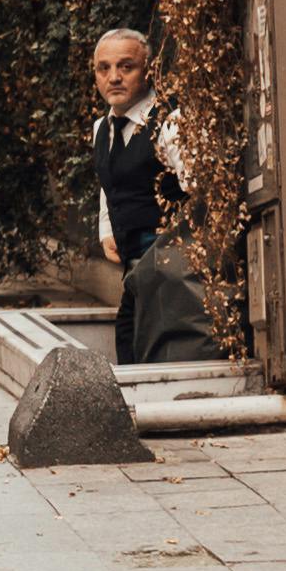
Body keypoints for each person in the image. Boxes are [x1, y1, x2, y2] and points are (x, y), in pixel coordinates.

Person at [91, 28, 217, 368]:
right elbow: (109, 183)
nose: (114, 77)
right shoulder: (101, 129)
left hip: (172, 273)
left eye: (126, 66)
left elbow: (204, 194)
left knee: (156, 354)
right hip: (134, 271)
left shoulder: (172, 121)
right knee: (130, 343)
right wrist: (106, 231)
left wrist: (178, 255)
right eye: (104, 68)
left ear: (148, 70)